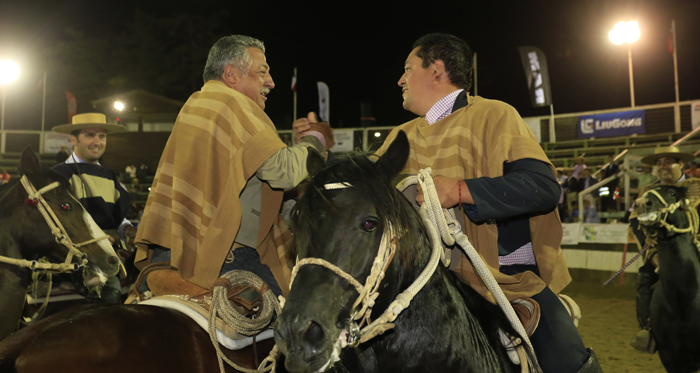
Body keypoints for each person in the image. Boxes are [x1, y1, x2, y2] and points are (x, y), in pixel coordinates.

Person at [372, 33, 596, 372]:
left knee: (568, 362)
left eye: (408, 69)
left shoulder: (496, 115)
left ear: (436, 70)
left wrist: (460, 190)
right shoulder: (397, 137)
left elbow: (543, 188)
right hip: (422, 287)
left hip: (506, 282)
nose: (400, 79)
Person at [133, 35, 334, 298]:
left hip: (173, 249)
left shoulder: (197, 103)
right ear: (231, 75)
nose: (271, 82)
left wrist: (293, 147)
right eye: (262, 72)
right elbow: (284, 174)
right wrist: (317, 138)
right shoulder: (234, 104)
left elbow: (250, 166)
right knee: (303, 309)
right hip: (225, 255)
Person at [51, 113, 137, 304]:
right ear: (73, 139)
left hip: (107, 249)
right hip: (73, 255)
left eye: (102, 136)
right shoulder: (58, 175)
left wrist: (126, 229)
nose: (97, 142)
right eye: (90, 135)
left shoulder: (110, 175)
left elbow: (120, 215)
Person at [629, 146, 697, 352]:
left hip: (696, 245)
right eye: (659, 163)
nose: (663, 166)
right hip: (660, 250)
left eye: (668, 161)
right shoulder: (648, 191)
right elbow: (635, 221)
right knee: (646, 279)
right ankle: (649, 330)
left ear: (681, 164)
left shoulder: (697, 187)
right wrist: (647, 241)